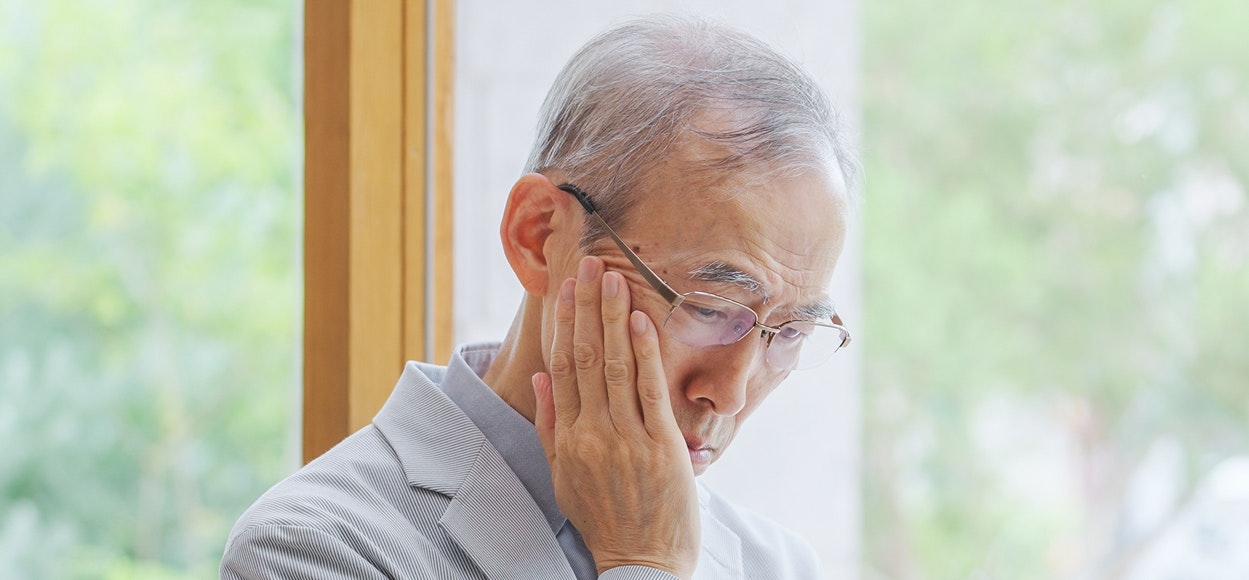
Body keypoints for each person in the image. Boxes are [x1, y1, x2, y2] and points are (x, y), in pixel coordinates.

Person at [222, 14, 854, 580]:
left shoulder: (778, 563)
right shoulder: (316, 547)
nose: (732, 392)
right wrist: (644, 565)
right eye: (709, 308)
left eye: (790, 331)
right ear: (539, 236)